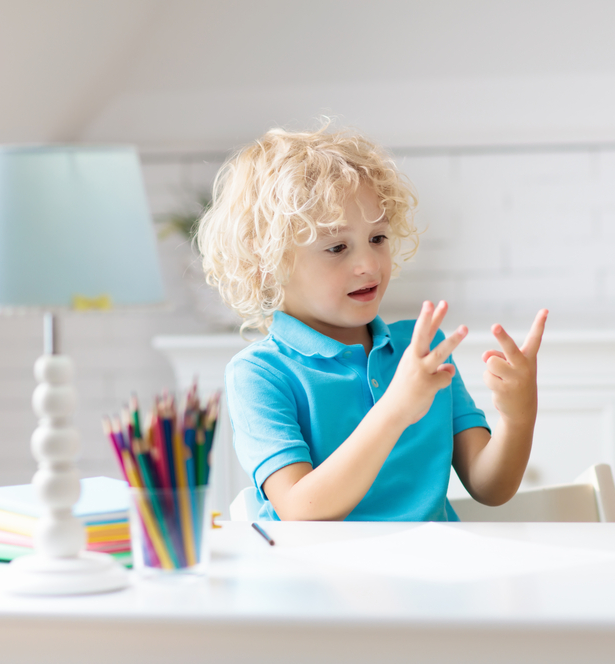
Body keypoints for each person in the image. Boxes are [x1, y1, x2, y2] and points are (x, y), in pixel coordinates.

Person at [196, 123, 548, 521]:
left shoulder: (423, 351)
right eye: (337, 247)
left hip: (431, 573)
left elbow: (491, 487)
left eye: (378, 238)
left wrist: (519, 417)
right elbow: (300, 509)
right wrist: (395, 409)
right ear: (268, 265)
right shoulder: (260, 374)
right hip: (319, 579)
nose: (368, 265)